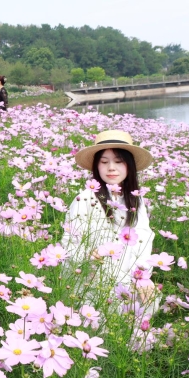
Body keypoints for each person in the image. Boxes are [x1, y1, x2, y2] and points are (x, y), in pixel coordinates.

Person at [60, 129, 158, 320]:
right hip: (92, 278)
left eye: (118, 161)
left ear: (129, 165)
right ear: (97, 167)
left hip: (127, 273)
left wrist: (142, 275)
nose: (111, 168)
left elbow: (144, 238)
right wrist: (89, 255)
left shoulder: (135, 200)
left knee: (147, 302)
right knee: (102, 317)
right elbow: (69, 243)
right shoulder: (85, 198)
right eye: (104, 162)